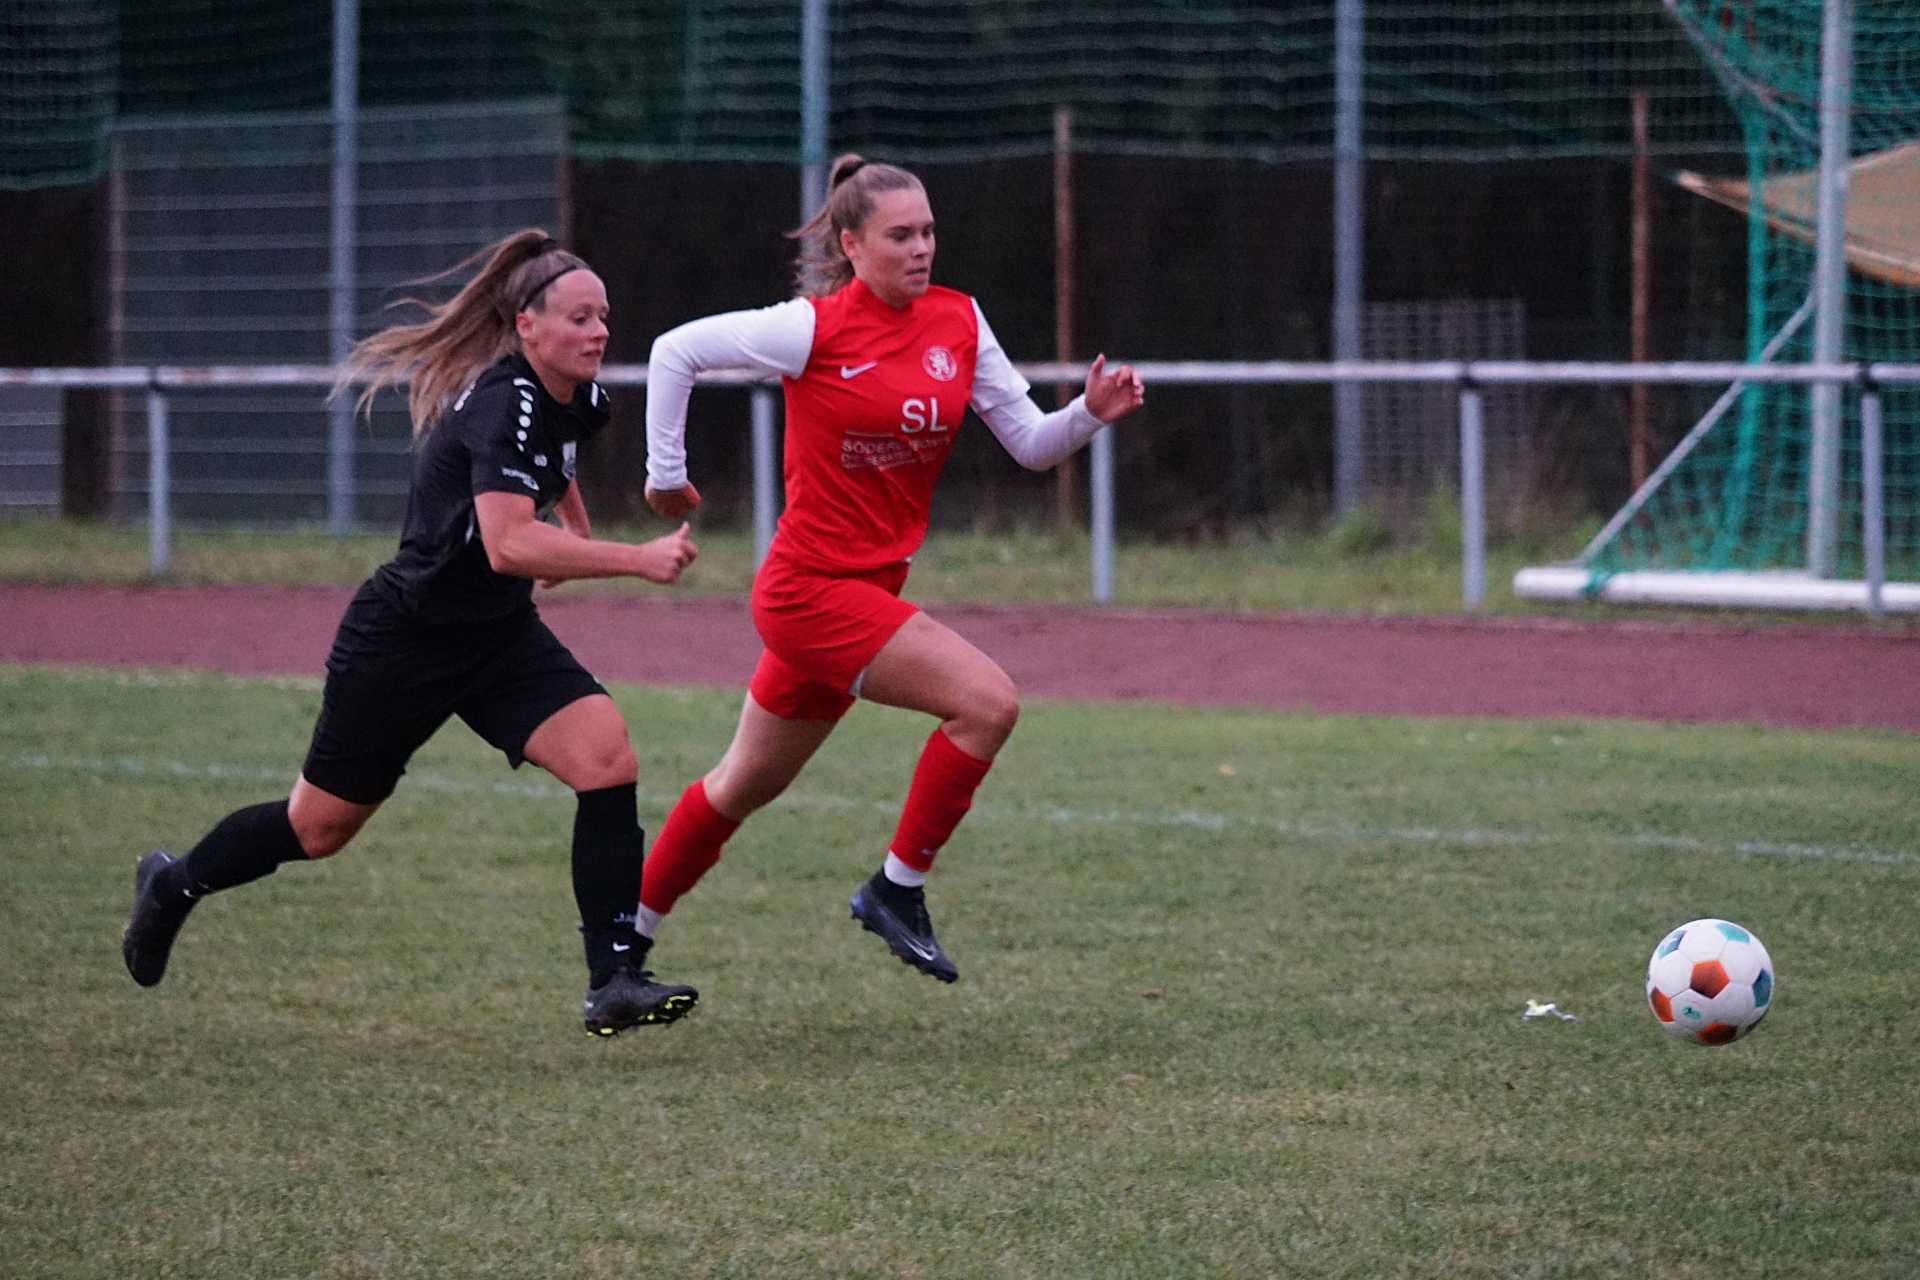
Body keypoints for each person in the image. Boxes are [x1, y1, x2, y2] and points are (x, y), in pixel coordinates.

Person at [121, 230, 703, 1037]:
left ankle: (613, 983)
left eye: (602, 316)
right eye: (579, 318)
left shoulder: (581, 396)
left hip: (496, 637)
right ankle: (172, 884)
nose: (599, 331)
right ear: (527, 326)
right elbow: (507, 545)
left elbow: (556, 462)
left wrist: (574, 529)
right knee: (318, 829)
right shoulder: (503, 403)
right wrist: (633, 559)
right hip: (405, 639)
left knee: (607, 757)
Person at [638, 154, 1144, 984]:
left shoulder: (959, 320)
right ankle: (896, 891)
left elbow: (1029, 445)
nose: (921, 248)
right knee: (987, 704)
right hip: (807, 593)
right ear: (852, 245)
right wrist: (665, 476)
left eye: (929, 232)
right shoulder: (811, 328)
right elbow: (673, 352)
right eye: (901, 235)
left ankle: (621, 951)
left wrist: (1087, 413)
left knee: (738, 786)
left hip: (868, 592)